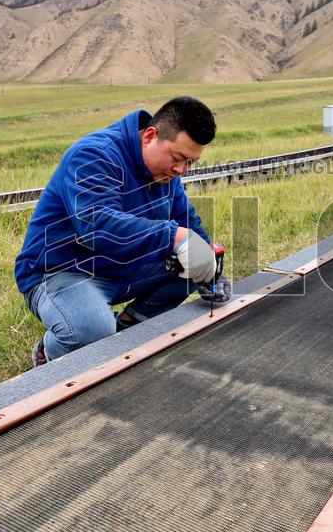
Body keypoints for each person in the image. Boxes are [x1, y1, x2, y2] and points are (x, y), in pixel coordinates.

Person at [14, 97, 231, 366]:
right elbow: (98, 228)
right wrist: (173, 237)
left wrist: (209, 268)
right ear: (149, 136)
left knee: (192, 265)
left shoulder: (166, 173)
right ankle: (51, 353)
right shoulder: (93, 156)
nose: (181, 170)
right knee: (90, 331)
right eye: (177, 158)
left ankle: (126, 329)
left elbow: (186, 218)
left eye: (190, 163)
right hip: (63, 271)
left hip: (121, 268)